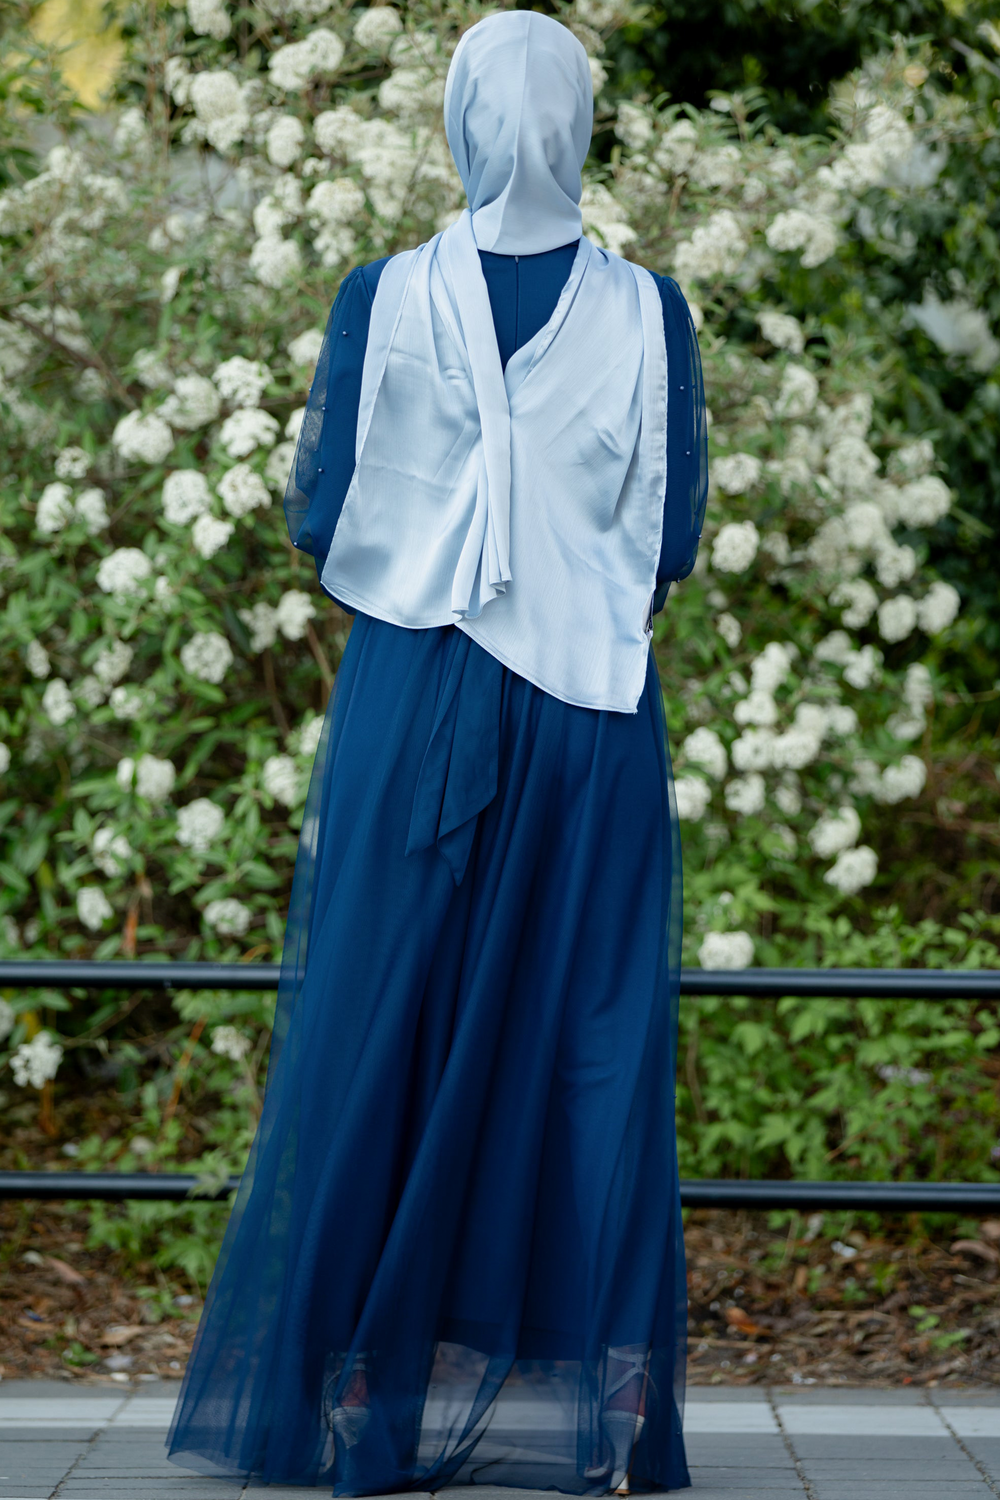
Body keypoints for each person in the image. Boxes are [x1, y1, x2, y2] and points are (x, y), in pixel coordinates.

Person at [167, 11, 707, 1496]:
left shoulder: (381, 294)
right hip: (592, 710)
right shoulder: (651, 311)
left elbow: (319, 509)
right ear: (582, 123)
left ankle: (359, 1400)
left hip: (417, 699)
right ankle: (615, 1419)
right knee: (593, 1042)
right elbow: (669, 540)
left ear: (462, 122)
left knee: (383, 1024)